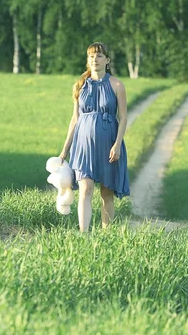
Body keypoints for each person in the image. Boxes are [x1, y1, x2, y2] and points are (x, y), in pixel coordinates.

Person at [59, 42, 130, 232]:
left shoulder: (117, 85)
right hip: (83, 146)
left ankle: (107, 237)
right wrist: (64, 151)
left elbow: (123, 117)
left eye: (99, 56)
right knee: (86, 189)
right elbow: (75, 119)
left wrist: (117, 144)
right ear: (87, 60)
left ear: (107, 60)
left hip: (108, 144)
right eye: (91, 56)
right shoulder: (80, 85)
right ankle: (84, 235)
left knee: (106, 194)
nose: (95, 60)